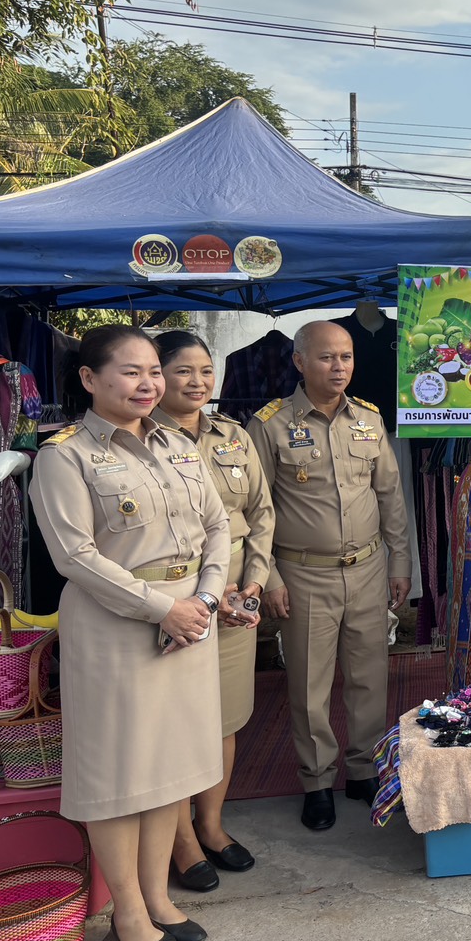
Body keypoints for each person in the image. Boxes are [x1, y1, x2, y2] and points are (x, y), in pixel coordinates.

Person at [31, 326, 230, 941]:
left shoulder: (179, 443)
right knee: (121, 776)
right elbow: (75, 557)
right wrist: (161, 610)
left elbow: (219, 525)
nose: (149, 384)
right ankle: (127, 916)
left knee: (168, 769)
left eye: (153, 371)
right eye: (130, 371)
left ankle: (156, 900)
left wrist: (203, 598)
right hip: (118, 626)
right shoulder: (64, 456)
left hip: (189, 620)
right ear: (90, 379)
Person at [248, 320, 411, 833]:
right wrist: (268, 575)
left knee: (369, 678)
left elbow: (390, 497)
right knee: (309, 683)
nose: (338, 366)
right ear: (299, 362)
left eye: (345, 357)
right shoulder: (269, 425)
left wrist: (400, 563)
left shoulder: (368, 419)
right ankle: (317, 780)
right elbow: (257, 510)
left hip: (366, 569)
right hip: (303, 573)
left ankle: (362, 770)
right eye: (326, 357)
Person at [152, 331, 275, 891]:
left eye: (205, 370)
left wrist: (251, 585)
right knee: (177, 725)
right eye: (183, 371)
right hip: (175, 600)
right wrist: (202, 596)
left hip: (234, 598)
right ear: (156, 375)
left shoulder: (234, 435)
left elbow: (261, 512)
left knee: (224, 718)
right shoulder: (139, 438)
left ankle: (211, 825)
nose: (198, 382)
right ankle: (179, 843)